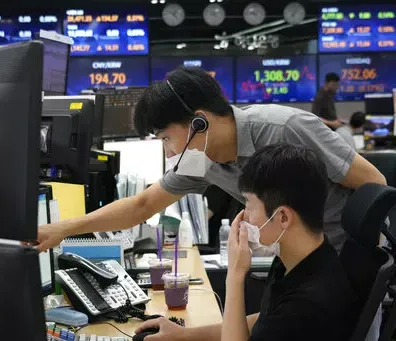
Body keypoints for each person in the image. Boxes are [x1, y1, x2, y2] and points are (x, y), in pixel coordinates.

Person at [34, 67, 385, 253]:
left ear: (199, 121)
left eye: (168, 138)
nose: (170, 152)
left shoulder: (285, 128)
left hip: (344, 266)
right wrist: (61, 229)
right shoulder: (202, 157)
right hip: (297, 266)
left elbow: (374, 185)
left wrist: (360, 261)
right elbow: (142, 205)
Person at [134, 143, 359, 341]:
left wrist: (235, 274)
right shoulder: (307, 258)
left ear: (282, 217)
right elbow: (266, 322)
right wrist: (183, 336)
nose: (243, 216)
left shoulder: (308, 305)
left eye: (249, 205)